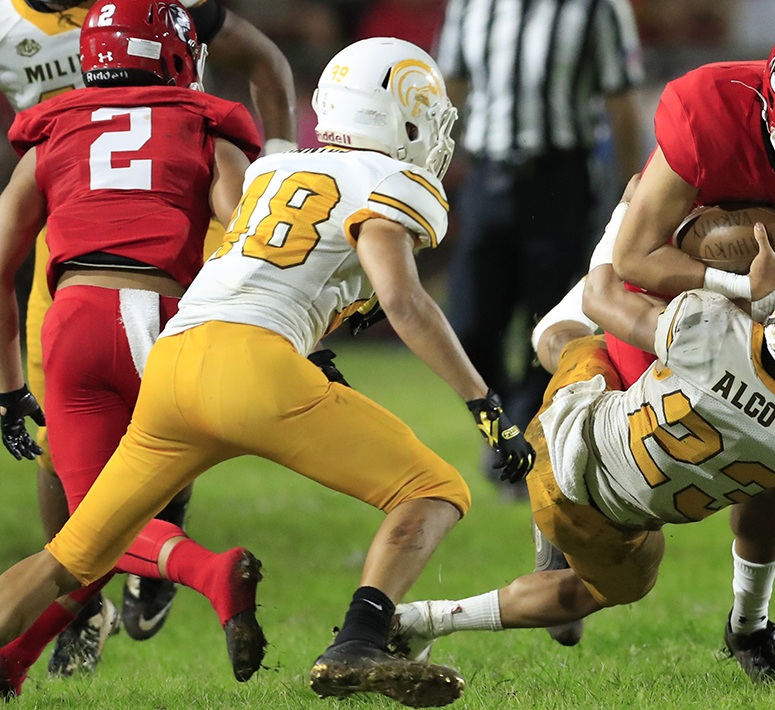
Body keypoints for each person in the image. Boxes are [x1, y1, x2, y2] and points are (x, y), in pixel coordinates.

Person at [0, 36, 535, 706]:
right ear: (399, 113)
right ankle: (358, 643)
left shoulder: (270, 172)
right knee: (434, 489)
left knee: (72, 555)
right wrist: (485, 407)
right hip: (255, 371)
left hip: (174, 362)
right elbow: (404, 300)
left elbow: (283, 263)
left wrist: (340, 312)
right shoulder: (393, 182)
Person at [530, 19, 775, 679]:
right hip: (665, 243)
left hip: (766, 276)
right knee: (585, 362)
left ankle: (749, 627)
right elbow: (635, 256)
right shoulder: (711, 110)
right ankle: (564, 517)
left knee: (771, 450)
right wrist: (741, 284)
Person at [388, 261, 775, 688]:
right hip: (614, 518)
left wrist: (742, 285)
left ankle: (546, 540)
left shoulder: (710, 327)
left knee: (571, 338)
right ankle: (425, 619)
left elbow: (604, 288)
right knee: (618, 583)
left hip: (565, 438)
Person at [1, 0, 297, 675]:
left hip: (79, 305)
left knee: (93, 520)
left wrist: (8, 386)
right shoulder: (207, 126)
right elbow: (253, 228)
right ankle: (16, 658)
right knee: (104, 511)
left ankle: (201, 568)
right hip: (179, 312)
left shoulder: (48, 133)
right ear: (174, 59)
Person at [434, 0, 645, 498]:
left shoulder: (598, 8)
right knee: (467, 322)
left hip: (560, 180)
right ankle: (505, 424)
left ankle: (524, 442)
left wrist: (631, 195)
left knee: (546, 324)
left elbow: (621, 99)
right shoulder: (470, 4)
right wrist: (432, 165)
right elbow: (451, 87)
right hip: (487, 175)